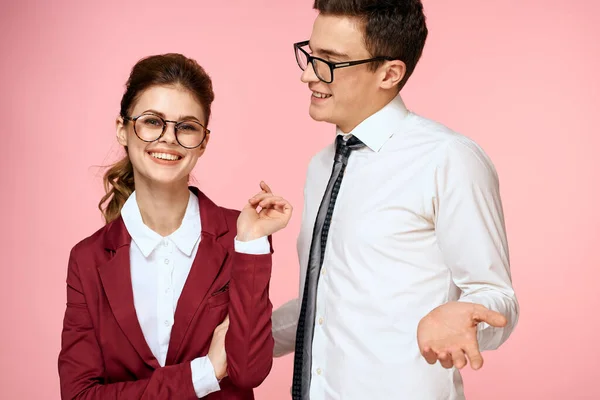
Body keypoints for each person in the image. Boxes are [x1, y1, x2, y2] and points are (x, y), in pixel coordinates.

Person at [265, 1, 519, 399]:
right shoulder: (322, 165)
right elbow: (327, 303)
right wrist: (245, 337)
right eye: (311, 55)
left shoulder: (447, 158)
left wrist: (464, 320)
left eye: (329, 61)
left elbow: (497, 299)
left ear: (389, 73)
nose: (306, 74)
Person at [58, 53, 292, 399]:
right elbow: (79, 395)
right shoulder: (88, 259)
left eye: (186, 127)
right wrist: (205, 373)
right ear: (123, 130)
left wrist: (252, 243)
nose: (169, 138)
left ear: (204, 142)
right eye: (153, 121)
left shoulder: (239, 234)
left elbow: (249, 370)